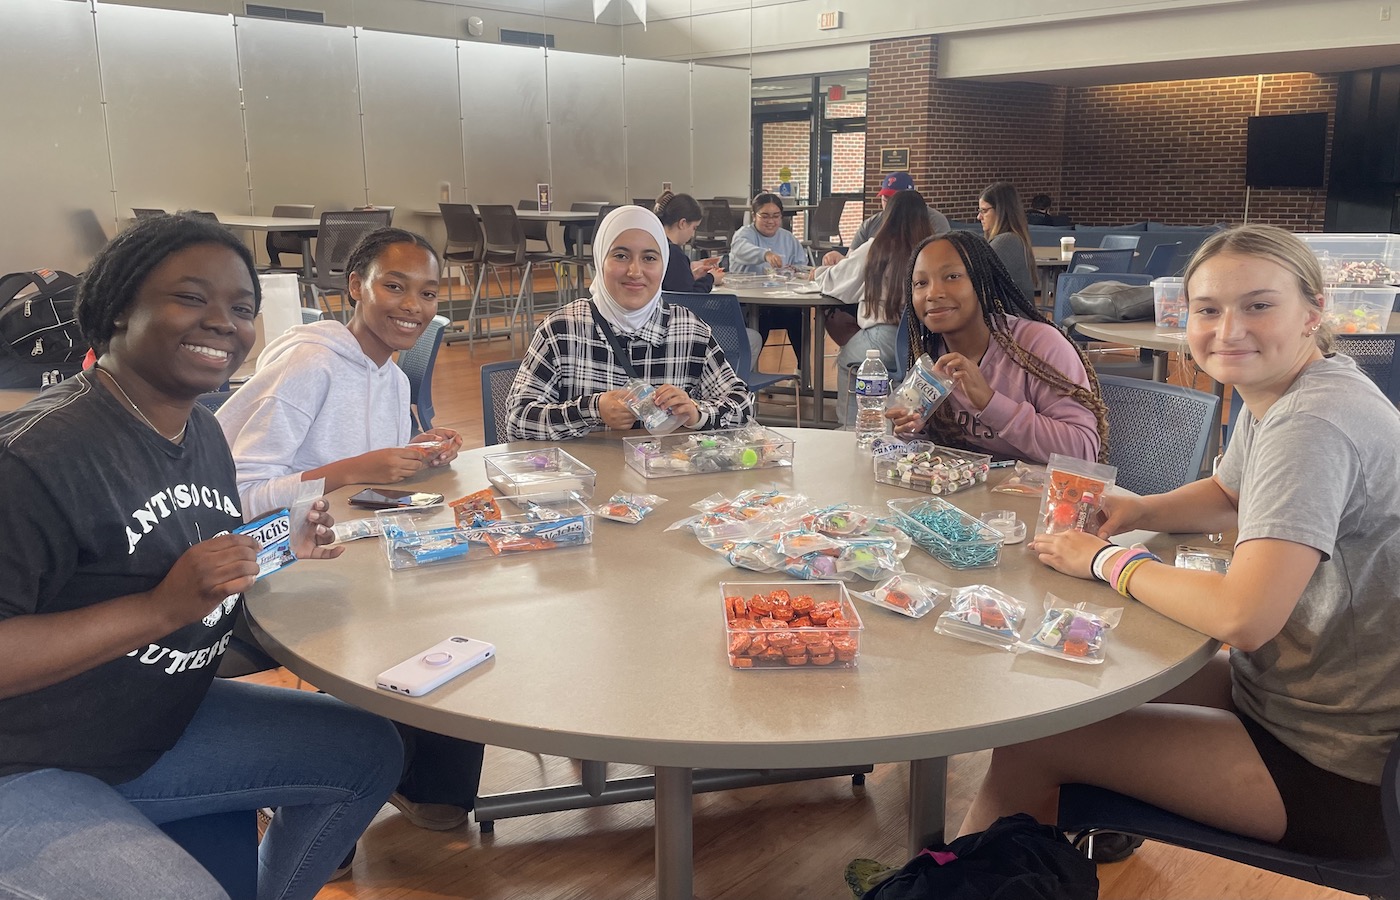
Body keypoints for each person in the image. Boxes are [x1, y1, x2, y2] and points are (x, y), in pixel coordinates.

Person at [964, 224, 1400, 863]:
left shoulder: (1312, 425)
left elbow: (1242, 617)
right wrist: (1140, 508)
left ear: (1313, 312)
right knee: (1070, 675)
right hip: (1286, 698)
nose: (1229, 330)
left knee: (1034, 743)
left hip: (1334, 764)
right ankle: (1080, 828)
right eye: (1208, 309)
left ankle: (959, 876)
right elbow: (1229, 495)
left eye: (1258, 305)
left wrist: (1108, 559)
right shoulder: (1294, 388)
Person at [0, 213, 403, 900]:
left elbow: (179, 561)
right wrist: (158, 610)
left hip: (152, 726)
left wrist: (277, 545)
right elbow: (165, 595)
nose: (224, 322)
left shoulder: (203, 431)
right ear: (120, 305)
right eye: (191, 297)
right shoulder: (35, 456)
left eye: (241, 308)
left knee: (369, 751)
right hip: (25, 765)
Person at [218, 226, 485, 832]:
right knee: (402, 612)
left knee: (450, 596)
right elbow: (231, 496)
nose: (413, 306)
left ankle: (424, 780)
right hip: (270, 571)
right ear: (354, 288)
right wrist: (349, 471)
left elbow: (368, 482)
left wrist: (413, 453)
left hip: (346, 557)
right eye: (394, 286)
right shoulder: (309, 363)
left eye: (428, 293)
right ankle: (315, 790)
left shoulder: (390, 377)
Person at [506, 205, 753, 441]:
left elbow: (743, 406)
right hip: (585, 480)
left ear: (664, 265)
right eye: (621, 255)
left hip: (667, 480)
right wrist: (593, 410)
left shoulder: (689, 331)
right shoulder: (562, 330)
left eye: (649, 258)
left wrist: (696, 413)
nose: (635, 271)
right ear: (600, 260)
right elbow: (517, 420)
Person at [886, 231, 1107, 464]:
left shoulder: (1037, 346)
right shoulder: (930, 357)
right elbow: (932, 456)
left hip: (1041, 495)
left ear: (982, 281)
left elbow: (1083, 452)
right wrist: (914, 430)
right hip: (967, 495)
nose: (933, 293)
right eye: (921, 283)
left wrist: (990, 403)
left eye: (952, 276)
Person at [810, 190, 936, 426]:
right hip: (919, 339)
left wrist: (817, 272)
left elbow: (836, 283)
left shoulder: (876, 247)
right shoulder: (931, 249)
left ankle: (850, 427)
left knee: (848, 360)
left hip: (882, 336)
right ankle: (894, 426)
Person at [729, 192, 807, 370]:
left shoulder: (788, 238)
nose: (771, 221)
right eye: (764, 216)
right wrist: (765, 254)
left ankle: (803, 372)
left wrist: (794, 271)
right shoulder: (744, 234)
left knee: (796, 317)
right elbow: (742, 250)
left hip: (780, 300)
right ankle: (745, 374)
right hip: (749, 303)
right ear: (754, 215)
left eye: (776, 216)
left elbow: (801, 266)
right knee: (759, 322)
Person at [839, 171, 951, 257]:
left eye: (895, 199)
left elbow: (942, 258)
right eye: (885, 198)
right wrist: (839, 259)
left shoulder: (934, 221)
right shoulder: (870, 224)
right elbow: (851, 260)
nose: (889, 204)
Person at [977, 181, 1038, 304]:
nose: (979, 217)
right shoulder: (1013, 239)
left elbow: (976, 281)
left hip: (1010, 320)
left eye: (984, 211)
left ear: (1000, 211)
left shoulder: (1006, 241)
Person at [655, 191, 724, 294]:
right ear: (682, 223)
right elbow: (689, 299)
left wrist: (691, 276)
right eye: (694, 228)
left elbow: (674, 286)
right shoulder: (674, 253)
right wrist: (711, 278)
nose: (693, 234)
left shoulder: (656, 245)